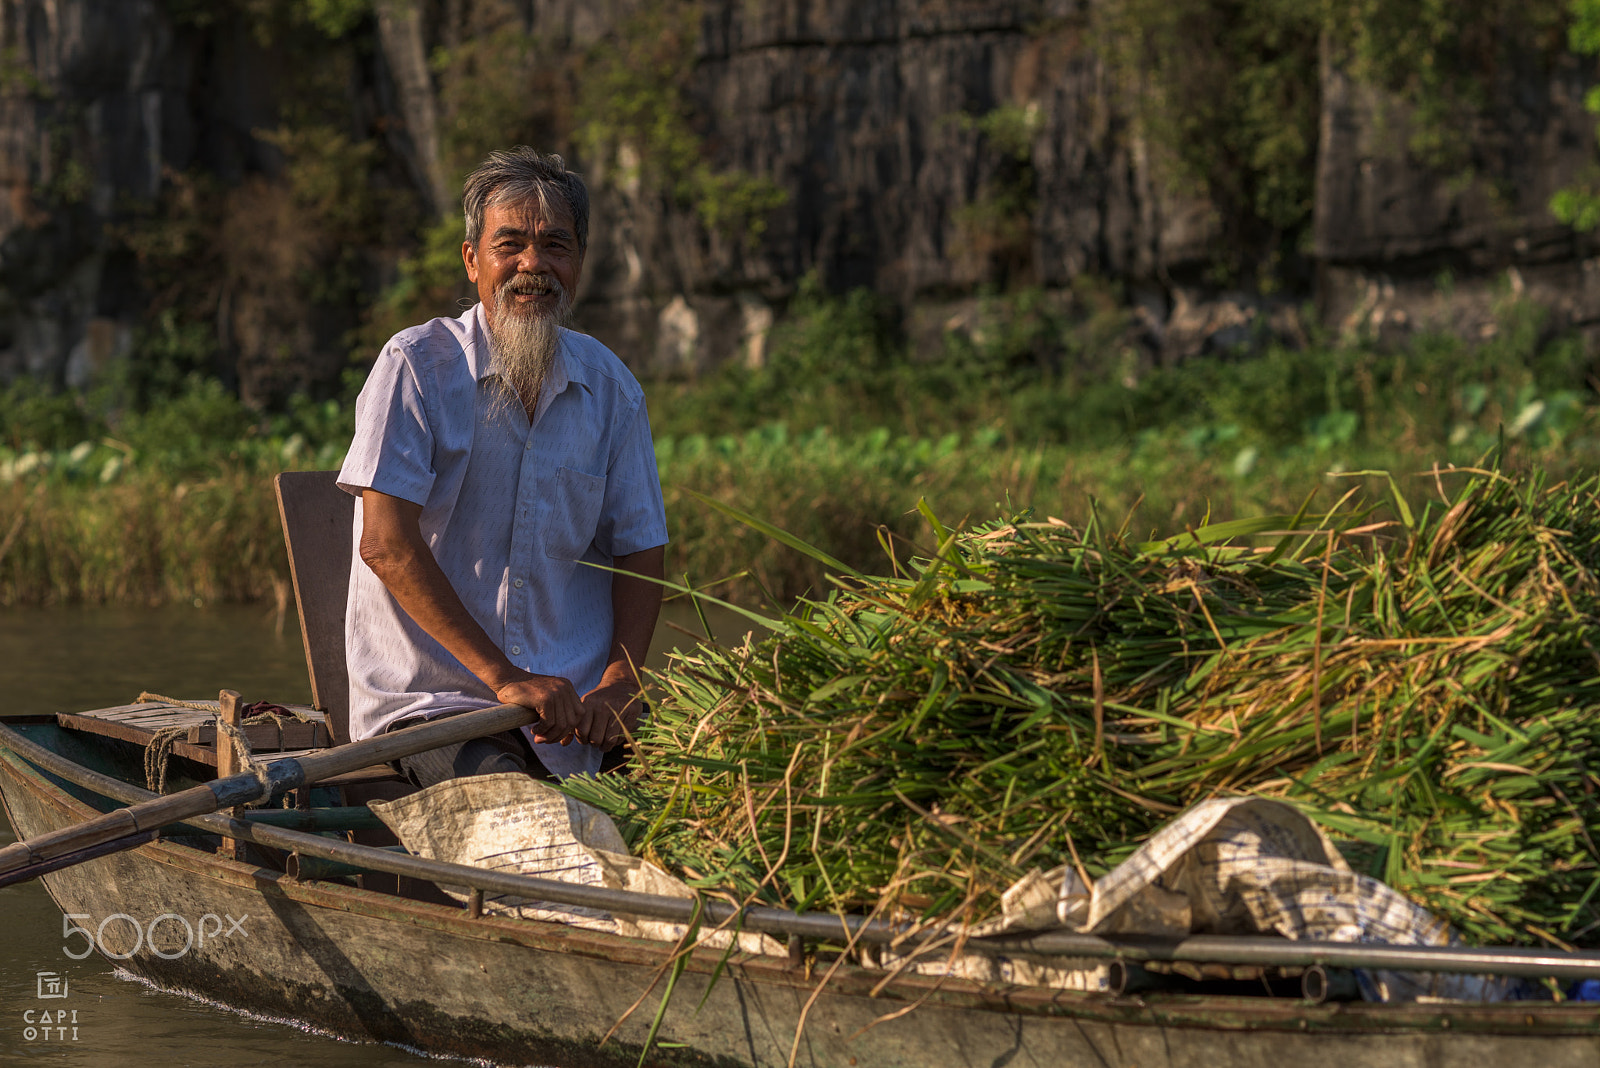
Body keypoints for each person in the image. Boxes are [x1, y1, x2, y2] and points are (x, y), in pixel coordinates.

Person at [337, 147, 668, 787]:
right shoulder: (416, 367)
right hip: (438, 704)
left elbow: (639, 550)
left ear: (579, 264)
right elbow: (385, 544)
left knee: (710, 801)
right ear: (472, 261)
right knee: (524, 825)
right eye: (509, 244)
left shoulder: (612, 388)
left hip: (577, 713)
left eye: (555, 246)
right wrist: (504, 679)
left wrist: (622, 681)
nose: (532, 265)